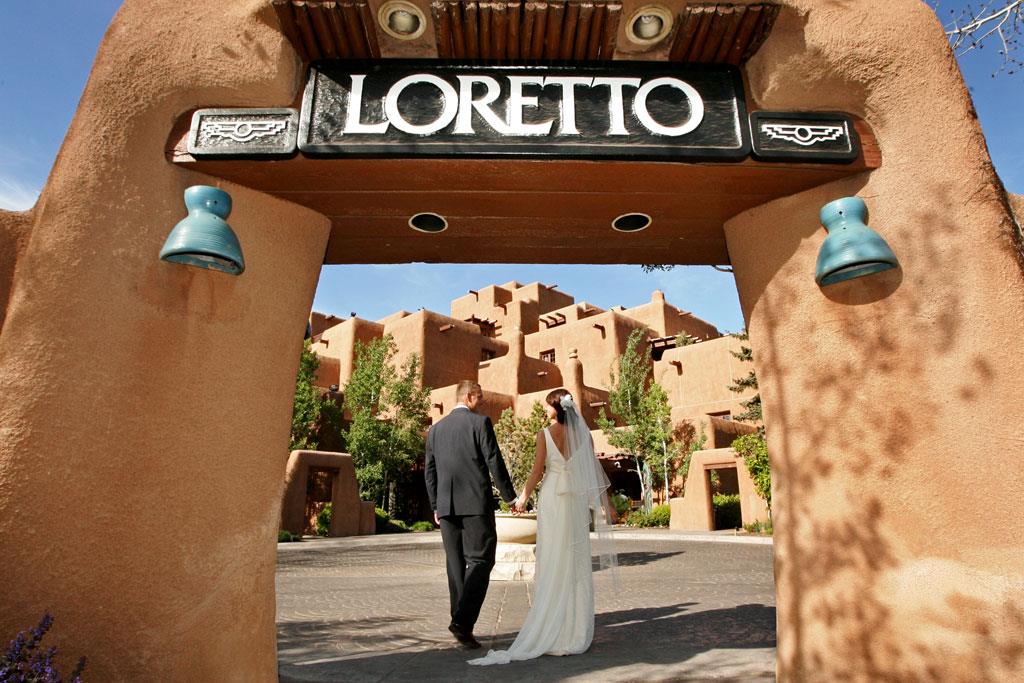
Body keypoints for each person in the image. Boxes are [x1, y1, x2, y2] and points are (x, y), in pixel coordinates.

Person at [468, 388, 617, 666]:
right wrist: (604, 505)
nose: (545, 410)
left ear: (556, 408)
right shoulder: (584, 435)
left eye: (548, 406)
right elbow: (590, 471)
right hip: (574, 501)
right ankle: (574, 631)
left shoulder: (545, 434)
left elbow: (537, 471)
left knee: (552, 560)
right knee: (573, 560)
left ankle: (551, 626)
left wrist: (522, 498)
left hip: (552, 499)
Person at [424, 380, 518, 650]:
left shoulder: (435, 430)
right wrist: (510, 497)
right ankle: (463, 622)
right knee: (481, 560)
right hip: (475, 505)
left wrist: (435, 506)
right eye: (481, 397)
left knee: (455, 564)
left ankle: (460, 624)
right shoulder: (480, 424)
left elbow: (430, 472)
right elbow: (494, 461)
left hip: (446, 508)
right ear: (469, 397)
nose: (484, 402)